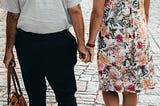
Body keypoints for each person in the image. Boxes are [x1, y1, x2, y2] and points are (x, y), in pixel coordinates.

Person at [1, 0, 90, 106]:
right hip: (59, 43)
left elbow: (13, 15)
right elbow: (75, 10)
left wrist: (9, 50)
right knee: (66, 95)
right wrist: (81, 44)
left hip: (28, 45)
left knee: (35, 96)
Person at [86, 0, 155, 106]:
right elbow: (145, 12)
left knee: (110, 86)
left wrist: (90, 43)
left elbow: (97, 13)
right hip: (138, 37)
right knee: (131, 88)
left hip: (113, 38)